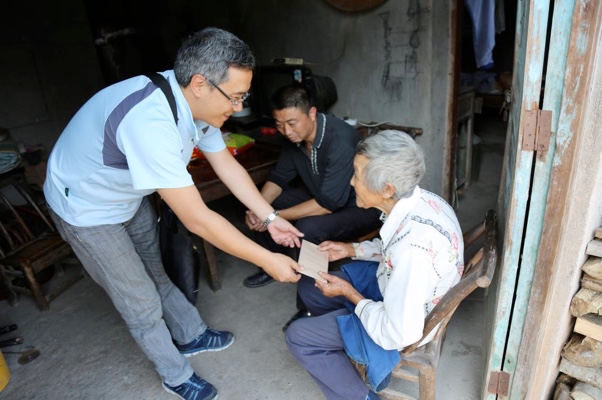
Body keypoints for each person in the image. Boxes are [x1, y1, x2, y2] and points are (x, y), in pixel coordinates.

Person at [43, 27, 304, 400]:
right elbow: (198, 219)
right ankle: (175, 375)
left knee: (157, 271)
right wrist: (267, 259)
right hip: (88, 209)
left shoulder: (195, 107)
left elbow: (227, 166)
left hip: (127, 196)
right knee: (140, 300)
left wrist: (271, 219)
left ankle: (190, 335)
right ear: (200, 84)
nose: (238, 107)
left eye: (243, 96)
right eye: (234, 97)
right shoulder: (149, 122)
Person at [285, 130, 464, 400]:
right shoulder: (422, 200)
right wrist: (351, 249)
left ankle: (363, 394)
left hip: (404, 324)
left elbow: (399, 333)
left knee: (299, 337)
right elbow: (394, 247)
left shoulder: (412, 252)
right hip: (396, 287)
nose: (351, 181)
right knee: (311, 287)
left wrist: (350, 294)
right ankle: (345, 338)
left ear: (387, 189)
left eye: (357, 175)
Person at [242, 84, 383, 323]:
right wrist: (259, 208)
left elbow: (328, 204)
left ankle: (310, 304)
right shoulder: (293, 137)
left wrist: (272, 217)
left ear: (312, 113)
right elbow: (280, 176)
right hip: (322, 194)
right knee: (265, 202)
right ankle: (271, 265)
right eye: (279, 124)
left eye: (292, 123)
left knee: (308, 229)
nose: (286, 131)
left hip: (359, 207)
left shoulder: (339, 140)